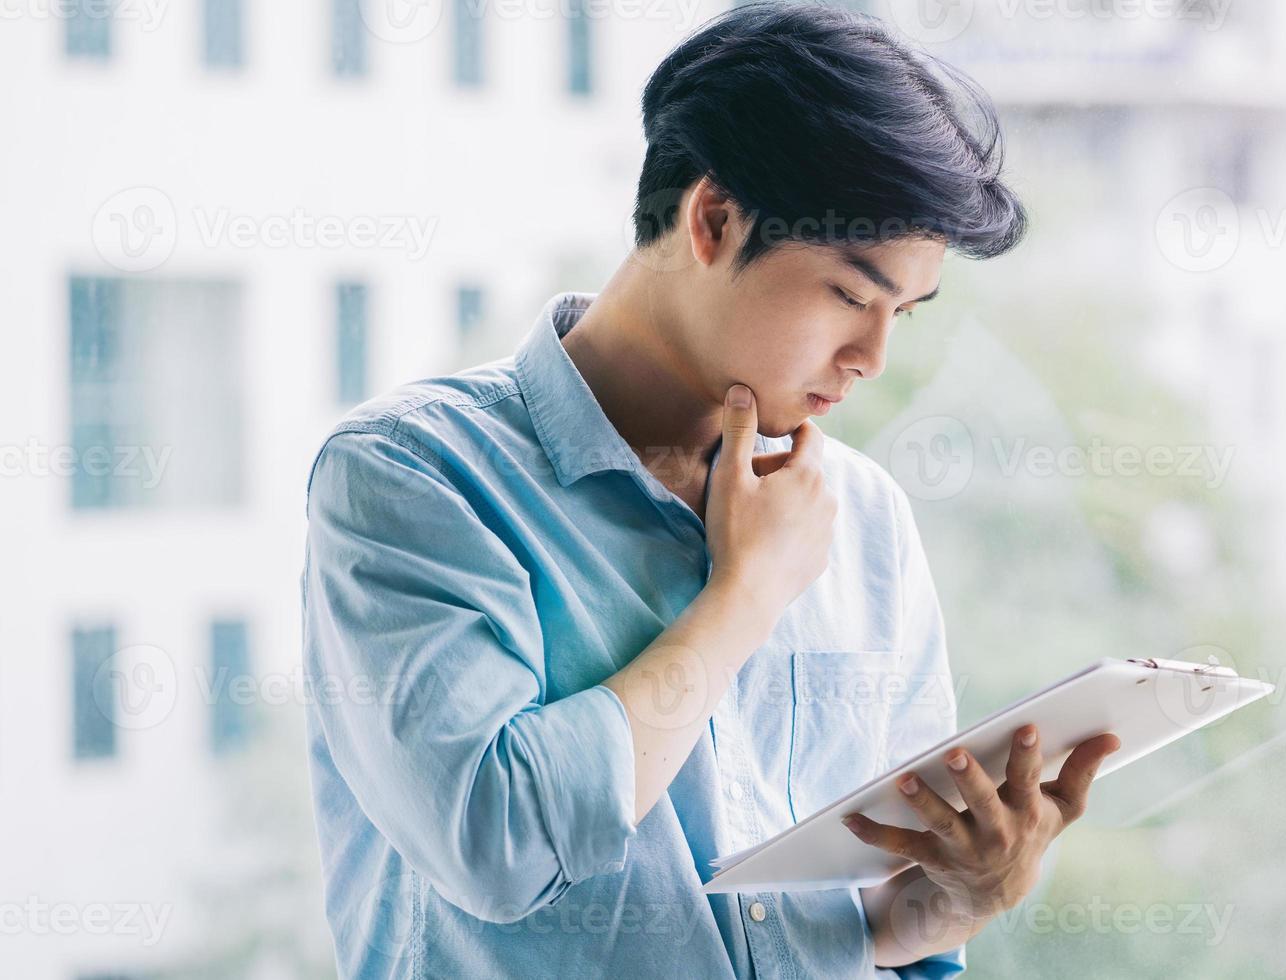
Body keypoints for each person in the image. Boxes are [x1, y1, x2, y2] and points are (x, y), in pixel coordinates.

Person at [300, 3, 1119, 976]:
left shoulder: (857, 513)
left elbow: (866, 923)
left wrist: (964, 892)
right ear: (713, 218)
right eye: (850, 294)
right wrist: (744, 595)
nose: (870, 356)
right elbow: (497, 846)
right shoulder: (413, 473)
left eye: (902, 310)